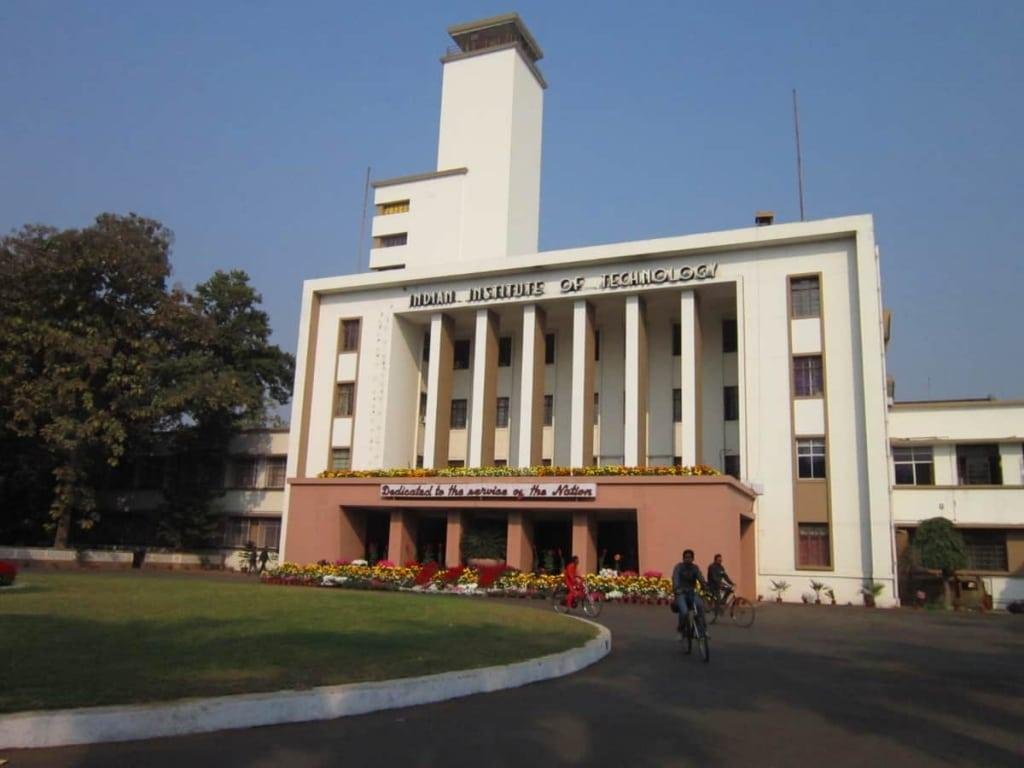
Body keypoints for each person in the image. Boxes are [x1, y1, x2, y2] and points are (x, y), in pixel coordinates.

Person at [672, 549, 708, 641]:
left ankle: (702, 630)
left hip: (692, 593)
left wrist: (704, 586)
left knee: (700, 606)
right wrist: (677, 589)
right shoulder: (678, 567)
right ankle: (680, 631)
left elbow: (700, 577)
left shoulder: (695, 568)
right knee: (684, 612)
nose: (688, 559)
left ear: (693, 559)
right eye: (686, 557)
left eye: (690, 557)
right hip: (681, 593)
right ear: (683, 558)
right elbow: (675, 579)